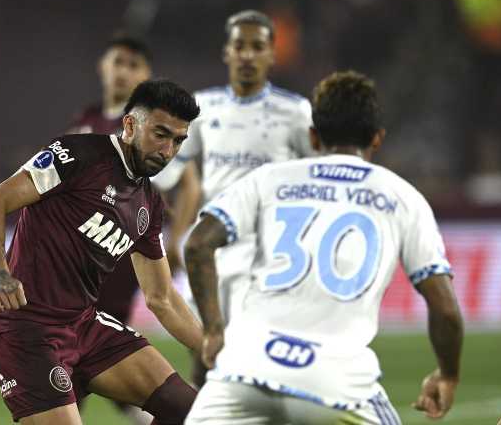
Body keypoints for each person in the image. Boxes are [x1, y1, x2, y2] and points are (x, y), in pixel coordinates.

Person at [183, 71, 464, 424]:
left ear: (313, 137)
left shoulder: (269, 179)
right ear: (377, 140)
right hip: (335, 385)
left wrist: (212, 330)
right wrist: (448, 374)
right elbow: (446, 310)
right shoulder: (403, 198)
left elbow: (197, 244)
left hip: (243, 370)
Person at [0, 79, 203, 425]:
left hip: (82, 324)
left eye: (177, 141)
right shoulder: (77, 155)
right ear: (130, 124)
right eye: (160, 134)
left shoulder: (149, 204)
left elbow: (163, 298)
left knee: (193, 414)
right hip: (23, 327)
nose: (167, 151)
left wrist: (215, 349)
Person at [159, 9, 316, 386]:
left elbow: (316, 176)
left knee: (261, 367)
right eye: (239, 46)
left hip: (270, 257)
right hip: (212, 255)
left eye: (257, 46)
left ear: (271, 55)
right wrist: (174, 230)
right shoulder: (202, 108)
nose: (247, 55)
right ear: (226, 52)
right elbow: (171, 171)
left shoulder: (295, 112)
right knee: (205, 359)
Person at [64, 32, 156, 425]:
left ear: (147, 74)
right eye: (117, 62)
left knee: (79, 359)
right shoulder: (83, 122)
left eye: (133, 65)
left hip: (116, 258)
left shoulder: (148, 127)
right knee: (95, 360)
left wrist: (179, 232)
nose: (122, 72)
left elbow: (184, 182)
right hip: (78, 261)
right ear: (103, 67)